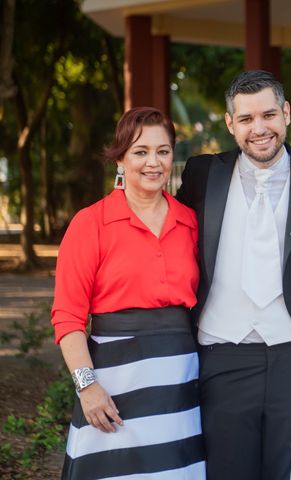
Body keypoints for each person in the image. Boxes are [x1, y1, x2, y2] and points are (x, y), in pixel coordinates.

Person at [176, 70, 291, 480]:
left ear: (286, 113)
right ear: (231, 124)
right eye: (246, 119)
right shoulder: (201, 174)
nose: (259, 128)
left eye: (268, 114)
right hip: (222, 351)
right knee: (228, 470)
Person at [52, 107, 205, 479]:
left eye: (163, 151)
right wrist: (87, 388)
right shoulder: (91, 223)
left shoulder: (189, 221)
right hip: (112, 384)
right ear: (120, 157)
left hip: (178, 380)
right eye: (141, 152)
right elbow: (68, 317)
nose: (153, 162)